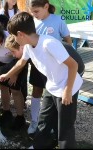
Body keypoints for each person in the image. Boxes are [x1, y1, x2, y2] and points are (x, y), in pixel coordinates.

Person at [0, 12, 83, 149]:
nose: (14, 39)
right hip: (52, 86)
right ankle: (38, 145)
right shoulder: (27, 46)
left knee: (65, 126)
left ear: (20, 34)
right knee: (44, 119)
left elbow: (73, 65)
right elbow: (21, 62)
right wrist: (7, 75)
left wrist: (68, 91)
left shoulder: (48, 44)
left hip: (67, 87)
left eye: (14, 36)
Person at [25, 0, 73, 135]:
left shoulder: (58, 20)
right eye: (31, 12)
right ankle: (35, 121)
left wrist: (68, 59)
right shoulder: (32, 22)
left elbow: (68, 40)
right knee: (37, 90)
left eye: (36, 11)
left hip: (56, 65)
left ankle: (52, 124)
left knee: (54, 94)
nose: (34, 14)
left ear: (46, 6)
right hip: (38, 64)